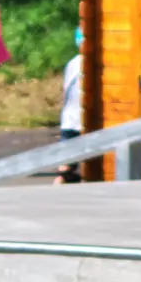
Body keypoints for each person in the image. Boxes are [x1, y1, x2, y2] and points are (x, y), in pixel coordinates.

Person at [56, 27, 84, 184]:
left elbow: (65, 91)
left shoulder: (72, 63)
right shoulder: (86, 63)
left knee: (67, 165)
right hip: (80, 120)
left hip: (69, 118)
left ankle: (62, 182)